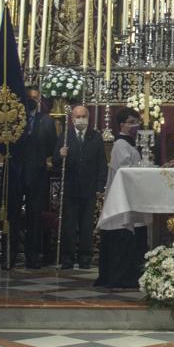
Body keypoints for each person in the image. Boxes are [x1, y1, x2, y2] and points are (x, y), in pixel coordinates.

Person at [0, 89, 59, 269]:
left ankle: (33, 256)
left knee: (35, 216)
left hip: (36, 173)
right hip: (15, 172)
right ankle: (9, 255)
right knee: (11, 215)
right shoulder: (12, 119)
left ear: (40, 101)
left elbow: (51, 147)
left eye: (35, 99)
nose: (32, 101)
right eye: (29, 98)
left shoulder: (47, 121)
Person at [95, 108, 146, 289]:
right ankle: (119, 276)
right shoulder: (120, 145)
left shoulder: (130, 144)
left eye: (136, 121)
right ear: (122, 124)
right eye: (131, 122)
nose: (135, 125)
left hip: (130, 196)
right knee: (121, 235)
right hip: (121, 198)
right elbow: (125, 169)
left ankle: (129, 275)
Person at [58, 105, 107, 268]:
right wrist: (60, 155)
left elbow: (101, 163)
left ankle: (85, 258)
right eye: (77, 116)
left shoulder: (95, 137)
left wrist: (100, 187)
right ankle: (67, 258)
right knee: (69, 226)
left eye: (83, 116)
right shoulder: (65, 136)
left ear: (88, 118)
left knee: (86, 226)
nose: (81, 119)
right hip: (70, 188)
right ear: (72, 119)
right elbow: (56, 163)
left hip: (89, 189)